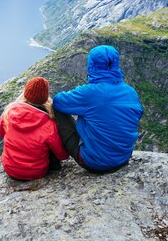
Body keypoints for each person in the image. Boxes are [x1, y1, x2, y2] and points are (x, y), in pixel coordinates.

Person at [52, 45, 143, 173]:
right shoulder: (130, 92)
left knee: (59, 109)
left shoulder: (90, 92)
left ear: (91, 65)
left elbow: (58, 101)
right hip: (123, 158)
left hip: (95, 162)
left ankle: (52, 158)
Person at [0, 77, 68, 180]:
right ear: (45, 98)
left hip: (10, 169)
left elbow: (1, 133)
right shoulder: (49, 124)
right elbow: (62, 155)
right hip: (36, 172)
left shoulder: (9, 112)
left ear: (25, 93)